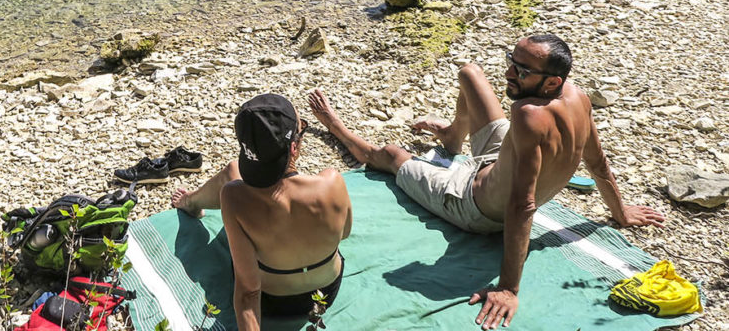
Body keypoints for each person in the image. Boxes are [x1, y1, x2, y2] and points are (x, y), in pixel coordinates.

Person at [308, 33, 665, 330]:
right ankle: (452, 136)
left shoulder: (528, 117)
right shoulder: (577, 98)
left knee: (389, 154)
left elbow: (522, 205)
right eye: (512, 60)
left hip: (472, 204)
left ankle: (334, 126)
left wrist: (508, 288)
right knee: (470, 73)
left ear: (552, 81)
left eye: (521, 71)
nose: (509, 72)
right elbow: (598, 163)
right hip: (497, 160)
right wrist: (619, 212)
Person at [171, 93, 353, 331]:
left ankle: (190, 203)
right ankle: (192, 201)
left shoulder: (234, 198)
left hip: (274, 301)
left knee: (233, 172)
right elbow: (345, 233)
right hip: (324, 294)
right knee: (235, 176)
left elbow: (249, 292)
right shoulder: (333, 183)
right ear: (294, 147)